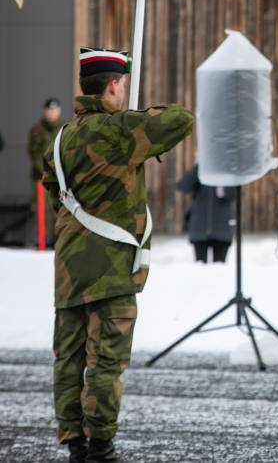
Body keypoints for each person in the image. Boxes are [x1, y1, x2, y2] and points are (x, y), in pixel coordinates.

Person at [42, 48, 194, 463]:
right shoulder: (121, 131)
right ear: (112, 85)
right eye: (122, 85)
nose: (123, 91)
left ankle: (74, 444)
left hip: (69, 272)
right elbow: (181, 119)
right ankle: (101, 447)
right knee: (106, 364)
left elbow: (56, 198)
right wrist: (138, 116)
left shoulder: (60, 140)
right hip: (110, 274)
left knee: (69, 362)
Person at [176, 163, 238, 263]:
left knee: (219, 268)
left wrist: (224, 178)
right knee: (199, 268)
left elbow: (233, 194)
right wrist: (199, 167)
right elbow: (183, 186)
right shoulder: (200, 169)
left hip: (222, 228)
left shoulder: (227, 171)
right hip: (200, 228)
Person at [28, 98, 64, 247]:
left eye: (54, 110)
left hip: (60, 178)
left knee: (60, 210)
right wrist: (45, 171)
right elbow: (34, 153)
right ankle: (41, 241)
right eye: (49, 110)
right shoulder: (37, 130)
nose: (52, 113)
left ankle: (58, 241)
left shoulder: (64, 128)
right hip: (41, 178)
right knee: (41, 210)